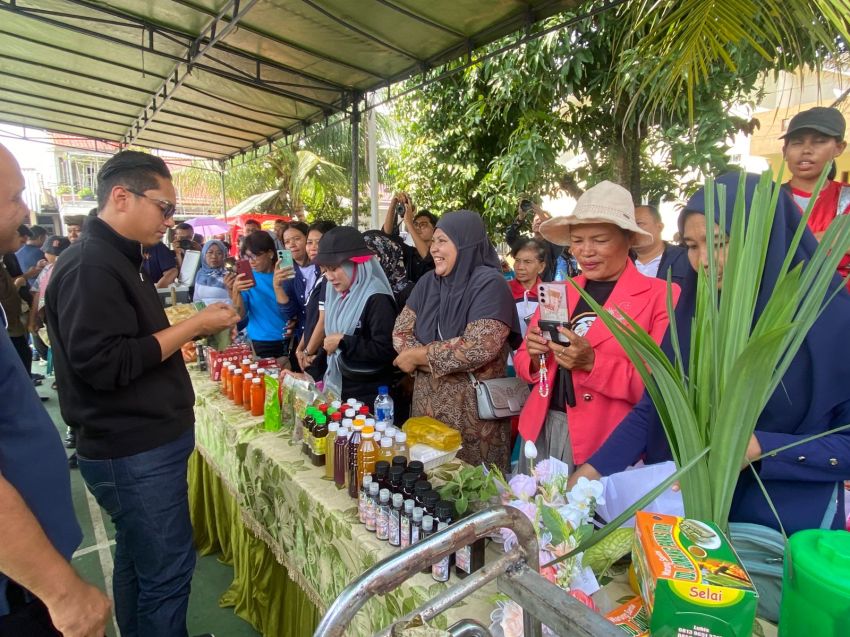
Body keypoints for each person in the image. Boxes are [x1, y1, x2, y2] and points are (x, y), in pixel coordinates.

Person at [575, 173, 850, 532]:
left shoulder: (831, 322)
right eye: (691, 245)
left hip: (784, 534)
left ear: (764, 238)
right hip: (691, 520)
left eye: (718, 242)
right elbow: (659, 406)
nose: (703, 260)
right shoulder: (697, 315)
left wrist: (759, 447)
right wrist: (588, 476)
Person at [45, 150, 239, 637]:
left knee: (138, 561)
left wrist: (176, 343)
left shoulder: (118, 259)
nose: (170, 221)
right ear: (121, 197)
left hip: (142, 445)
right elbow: (107, 363)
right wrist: (194, 325)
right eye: (164, 207)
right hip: (131, 449)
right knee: (167, 574)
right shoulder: (91, 265)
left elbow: (129, 345)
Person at [0, 142, 111, 637]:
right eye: (13, 197)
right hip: (18, 588)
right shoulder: (89, 266)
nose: (25, 210)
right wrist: (60, 592)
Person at [513, 181, 677, 471]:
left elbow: (661, 388)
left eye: (599, 240)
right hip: (541, 429)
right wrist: (535, 352)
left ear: (628, 240)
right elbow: (525, 359)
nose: (585, 251)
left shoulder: (661, 297)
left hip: (606, 440)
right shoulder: (559, 291)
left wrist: (593, 363)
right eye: (577, 240)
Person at [393, 210, 522, 470]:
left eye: (442, 241)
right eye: (434, 241)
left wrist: (417, 358)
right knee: (426, 485)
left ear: (466, 243)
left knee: (471, 493)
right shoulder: (428, 283)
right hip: (426, 413)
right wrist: (424, 354)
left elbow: (478, 347)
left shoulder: (490, 284)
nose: (433, 249)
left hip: (473, 419)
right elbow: (401, 332)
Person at [312, 226, 398, 406]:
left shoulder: (377, 298)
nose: (330, 277)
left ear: (357, 264)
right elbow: (330, 346)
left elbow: (385, 350)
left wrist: (344, 341)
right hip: (338, 390)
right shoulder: (336, 293)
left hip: (368, 398)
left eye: (335, 268)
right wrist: (309, 375)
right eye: (326, 270)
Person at [780, 106, 850, 287]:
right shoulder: (769, 199)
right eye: (796, 142)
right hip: (782, 308)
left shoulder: (846, 197)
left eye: (819, 141)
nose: (806, 150)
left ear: (839, 148)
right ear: (784, 151)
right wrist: (829, 240)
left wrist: (795, 245)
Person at [228, 230, 291, 360]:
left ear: (270, 253)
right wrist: (236, 291)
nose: (251, 261)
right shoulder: (247, 278)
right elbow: (239, 315)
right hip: (260, 340)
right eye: (247, 257)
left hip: (290, 338)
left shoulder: (285, 274)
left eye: (255, 256)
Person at [294, 220, 336, 378]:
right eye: (309, 242)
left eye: (318, 242)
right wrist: (299, 349)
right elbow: (311, 320)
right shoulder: (320, 277)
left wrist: (307, 352)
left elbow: (323, 321)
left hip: (319, 355)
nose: (312, 247)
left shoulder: (330, 280)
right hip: (311, 351)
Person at [505, 200, 573, 282]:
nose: (538, 221)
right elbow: (510, 237)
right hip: (523, 291)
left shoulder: (553, 245)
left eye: (541, 220)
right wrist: (520, 218)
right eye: (535, 220)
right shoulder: (524, 244)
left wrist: (539, 211)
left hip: (543, 291)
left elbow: (561, 234)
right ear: (532, 225)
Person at [382, 193, 437, 283]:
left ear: (434, 229)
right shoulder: (411, 252)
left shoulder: (439, 252)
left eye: (423, 224)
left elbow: (428, 258)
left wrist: (409, 223)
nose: (418, 227)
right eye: (416, 224)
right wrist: (393, 204)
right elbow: (387, 236)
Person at [632, 204, 690, 288]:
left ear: (660, 227)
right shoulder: (621, 263)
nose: (633, 229)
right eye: (629, 224)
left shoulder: (685, 259)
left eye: (639, 223)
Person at [363, 229, 415, 308]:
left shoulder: (411, 293)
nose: (365, 262)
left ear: (387, 254)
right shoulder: (360, 287)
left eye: (373, 256)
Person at [508, 238, 547, 337]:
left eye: (527, 262)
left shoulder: (549, 294)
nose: (520, 267)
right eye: (517, 261)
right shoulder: (504, 290)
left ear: (541, 267)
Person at [192, 239, 230, 303]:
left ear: (224, 256)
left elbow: (234, 301)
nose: (214, 256)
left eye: (219, 253)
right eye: (210, 252)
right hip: (203, 312)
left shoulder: (229, 275)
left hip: (224, 312)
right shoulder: (201, 274)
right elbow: (196, 299)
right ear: (204, 255)